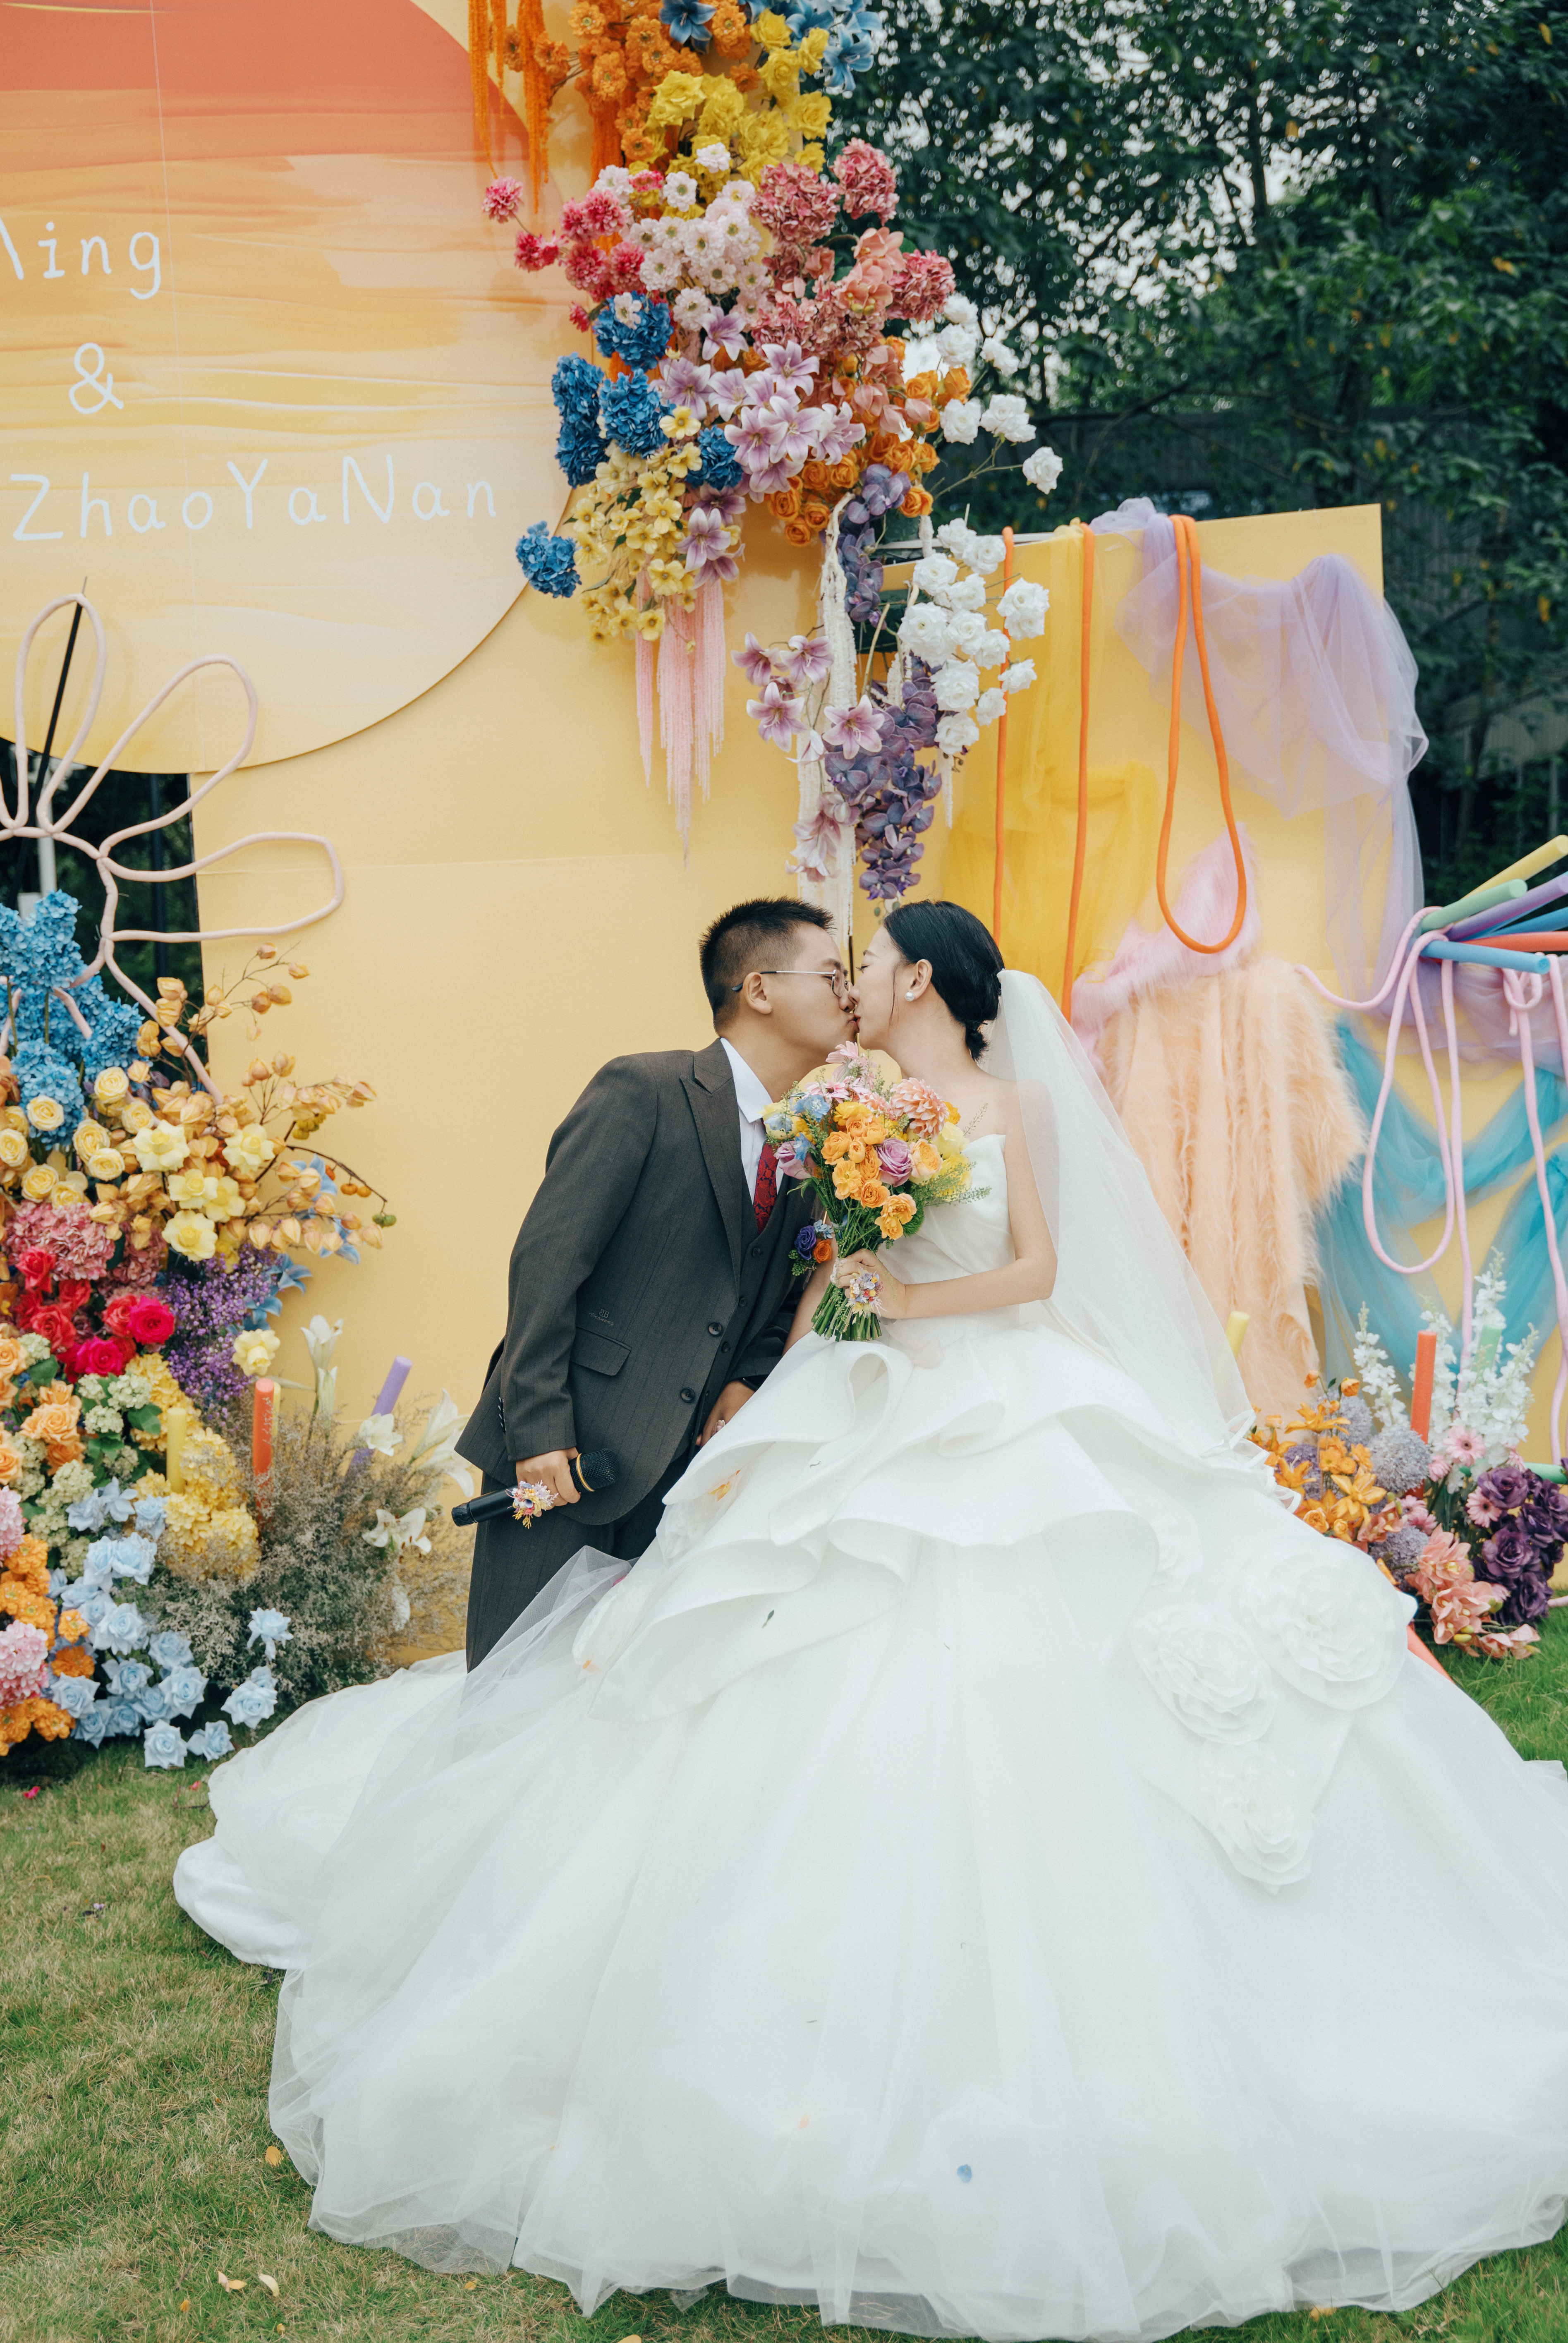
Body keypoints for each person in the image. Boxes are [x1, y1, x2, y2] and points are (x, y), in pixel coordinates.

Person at [176, 901, 1568, 2342]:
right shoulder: (847, 1111)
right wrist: (789, 1378)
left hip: (999, 1391)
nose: (858, 978)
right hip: (869, 1389)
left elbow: (1036, 1270)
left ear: (925, 978)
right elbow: (820, 1279)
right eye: (835, 964)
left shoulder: (1011, 1103)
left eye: (877, 959)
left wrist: (909, 1295)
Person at [455, 896, 852, 1665]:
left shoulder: (809, 1142)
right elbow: (548, 1261)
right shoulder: (645, 1090)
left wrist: (747, 1376)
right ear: (760, 989)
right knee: (514, 1684)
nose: (850, 995)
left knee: (621, 1693)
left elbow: (781, 1287)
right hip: (570, 1451)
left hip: (686, 1474)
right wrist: (539, 1431)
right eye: (832, 975)